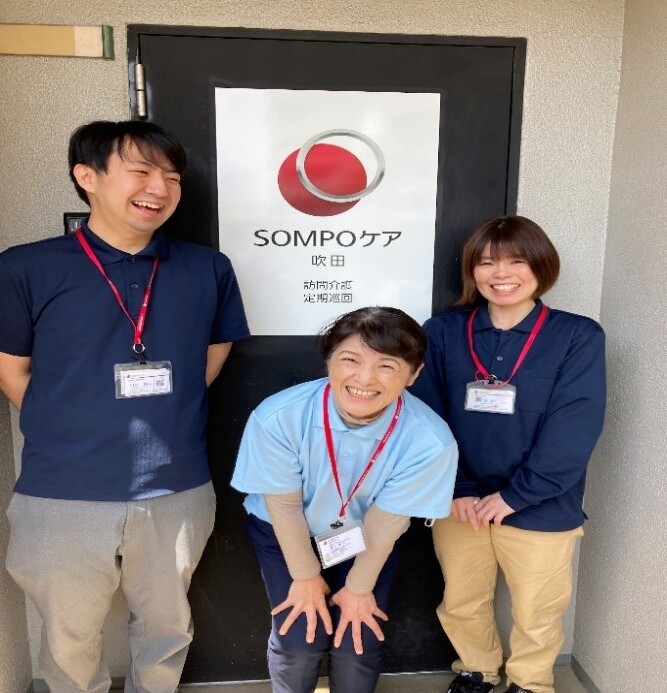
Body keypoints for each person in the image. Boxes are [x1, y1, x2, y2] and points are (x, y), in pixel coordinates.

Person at [0, 120, 249, 692]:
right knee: (67, 638)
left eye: (171, 177)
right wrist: (72, 422)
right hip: (61, 492)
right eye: (141, 171)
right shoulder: (25, 268)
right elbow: (13, 372)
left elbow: (212, 354)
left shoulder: (208, 268)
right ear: (87, 177)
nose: (159, 188)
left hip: (176, 488)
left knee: (167, 629)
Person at [411, 216, 606, 693]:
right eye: (487, 262)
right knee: (462, 599)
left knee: (538, 609)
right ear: (472, 271)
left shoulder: (576, 335)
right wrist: (456, 487)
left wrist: (517, 495)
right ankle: (476, 669)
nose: (501, 274)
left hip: (541, 503)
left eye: (517, 261)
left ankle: (531, 683)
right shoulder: (443, 332)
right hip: (460, 500)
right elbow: (425, 416)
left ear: (541, 266)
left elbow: (574, 426)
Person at [231, 306, 458, 693]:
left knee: (357, 638)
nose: (365, 379)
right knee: (299, 638)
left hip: (366, 537)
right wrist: (305, 577)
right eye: (350, 360)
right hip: (283, 529)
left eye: (387, 366)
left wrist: (358, 589)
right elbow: (284, 507)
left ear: (413, 374)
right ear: (328, 361)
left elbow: (385, 524)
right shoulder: (279, 417)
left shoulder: (429, 440)